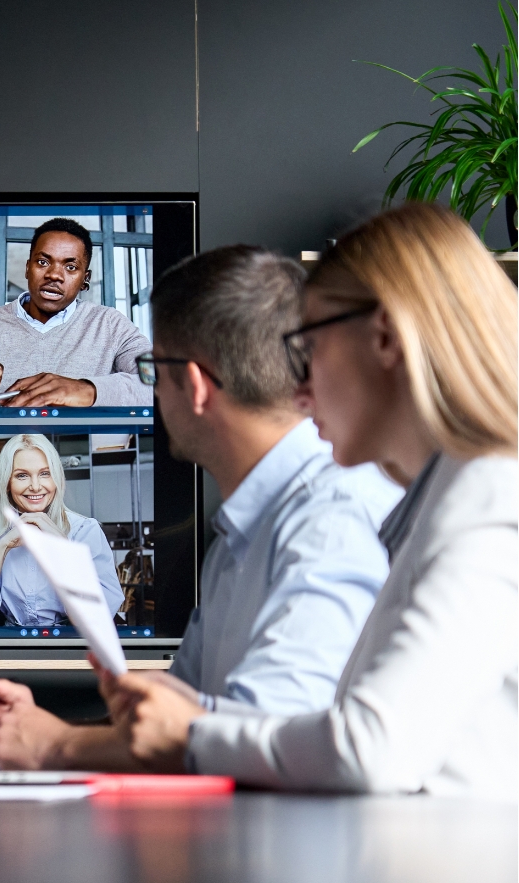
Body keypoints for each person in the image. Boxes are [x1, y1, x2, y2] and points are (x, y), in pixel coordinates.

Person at [112, 204, 517, 800]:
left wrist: (194, 731)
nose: (298, 388)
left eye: (310, 346)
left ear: (382, 337)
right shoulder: (439, 501)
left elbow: (371, 748)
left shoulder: (486, 499)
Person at [0, 245, 403, 770]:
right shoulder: (245, 530)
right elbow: (187, 719)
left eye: (153, 368)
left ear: (193, 385)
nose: (151, 389)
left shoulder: (330, 520)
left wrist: (53, 746)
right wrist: (29, 728)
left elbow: (271, 741)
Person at [0, 218, 153, 408]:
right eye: (43, 262)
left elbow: (161, 383)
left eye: (71, 267)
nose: (54, 275)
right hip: (8, 449)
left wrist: (86, 389)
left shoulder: (110, 324)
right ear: (28, 268)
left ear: (85, 279)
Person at [0, 433, 124, 626]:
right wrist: (1, 548)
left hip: (73, 642)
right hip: (14, 644)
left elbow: (93, 621)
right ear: (7, 483)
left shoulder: (85, 531)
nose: (35, 486)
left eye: (45, 473)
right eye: (22, 475)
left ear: (56, 478)